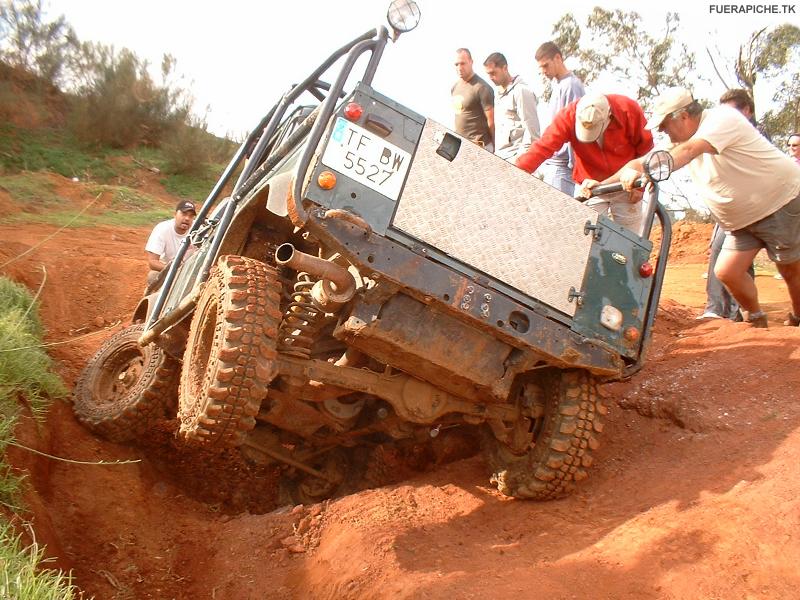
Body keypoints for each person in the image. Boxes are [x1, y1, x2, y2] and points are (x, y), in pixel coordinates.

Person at [604, 87, 800, 328]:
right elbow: (640, 162)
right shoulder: (679, 140)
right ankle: (757, 321)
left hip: (778, 202)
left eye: (664, 125)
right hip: (742, 221)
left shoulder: (721, 119)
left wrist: (647, 170)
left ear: (683, 116)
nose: (662, 131)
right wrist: (601, 184)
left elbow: (688, 152)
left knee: (790, 269)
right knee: (728, 272)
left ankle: (797, 320)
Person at [516, 93, 654, 232]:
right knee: (588, 238)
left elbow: (646, 149)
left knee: (630, 241)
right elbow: (542, 148)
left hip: (627, 185)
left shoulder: (628, 109)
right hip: (590, 187)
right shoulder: (567, 117)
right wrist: (513, 174)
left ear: (609, 116)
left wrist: (639, 186)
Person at [698, 89, 762, 320]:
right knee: (719, 252)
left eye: (733, 110)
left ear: (747, 111)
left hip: (753, 207)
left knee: (739, 261)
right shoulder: (720, 132)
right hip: (728, 207)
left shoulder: (756, 137)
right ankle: (715, 308)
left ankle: (739, 312)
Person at [534, 41, 585, 195]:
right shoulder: (558, 85)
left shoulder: (571, 85)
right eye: (541, 67)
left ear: (557, 58)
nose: (543, 71)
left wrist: (578, 166)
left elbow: (577, 127)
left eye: (545, 65)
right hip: (553, 162)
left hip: (562, 164)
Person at [482, 52, 540, 163]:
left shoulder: (522, 91)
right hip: (501, 158)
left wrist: (520, 161)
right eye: (488, 74)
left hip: (516, 160)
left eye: (493, 73)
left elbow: (532, 134)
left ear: (505, 68)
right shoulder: (497, 95)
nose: (491, 78)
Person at [145, 200, 197, 290]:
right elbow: (152, 262)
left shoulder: (199, 230)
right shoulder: (162, 229)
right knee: (153, 276)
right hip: (167, 270)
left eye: (191, 216)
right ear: (175, 214)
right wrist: (174, 270)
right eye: (184, 214)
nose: (187, 218)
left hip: (189, 272)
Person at [452, 48, 494, 151]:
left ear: (471, 62)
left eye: (463, 63)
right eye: (456, 64)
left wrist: (496, 148)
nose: (459, 68)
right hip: (461, 146)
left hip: (481, 146)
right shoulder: (455, 87)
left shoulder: (482, 87)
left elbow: (492, 122)